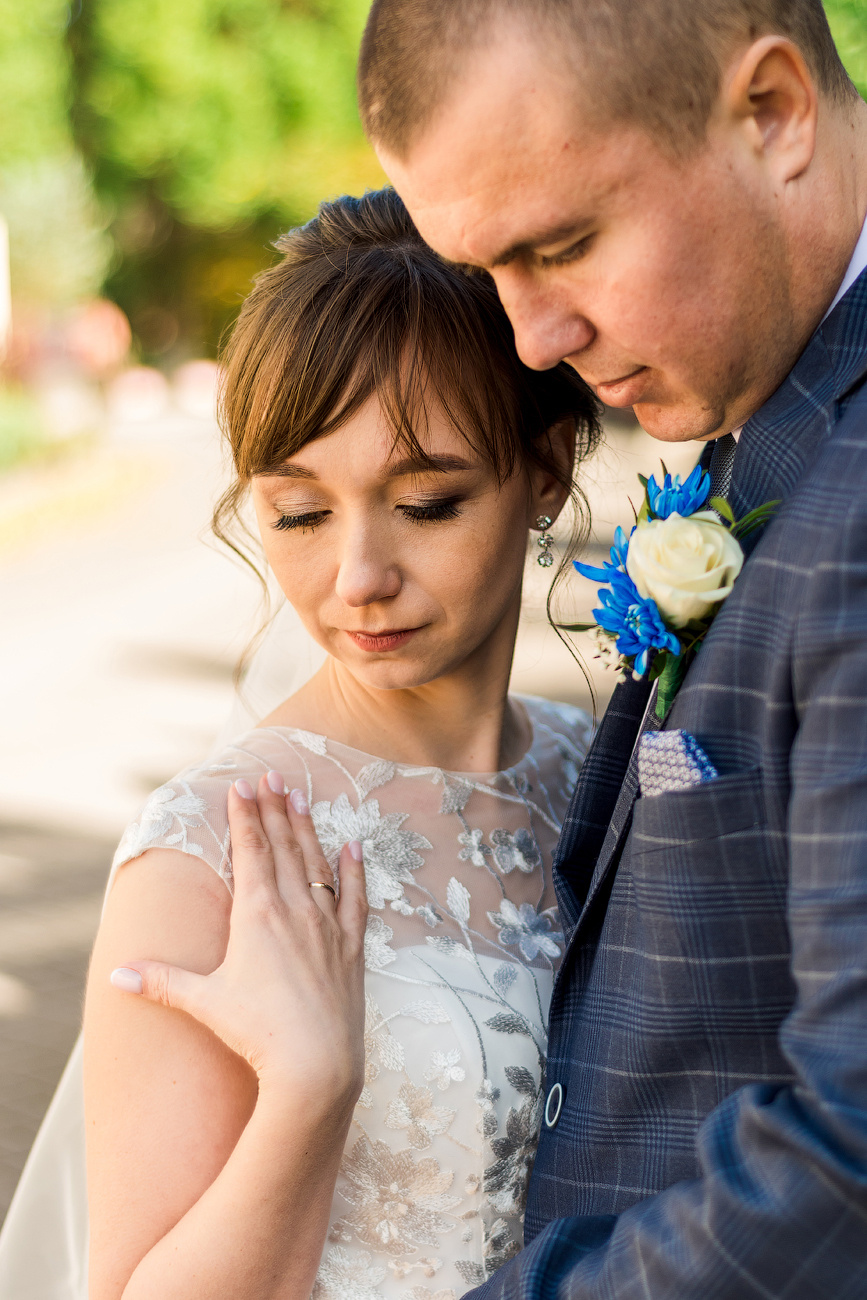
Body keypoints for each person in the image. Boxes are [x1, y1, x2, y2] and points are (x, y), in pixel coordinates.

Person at [0, 187, 601, 1298]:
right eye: (300, 512)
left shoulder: (598, 769)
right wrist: (310, 1085)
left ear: (549, 469)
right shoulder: (206, 856)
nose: (358, 578)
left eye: (425, 504)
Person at [355, 0, 867, 1295]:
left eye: (564, 245)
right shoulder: (782, 417)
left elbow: (849, 1155)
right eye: (489, 274)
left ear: (771, 114)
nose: (531, 340)